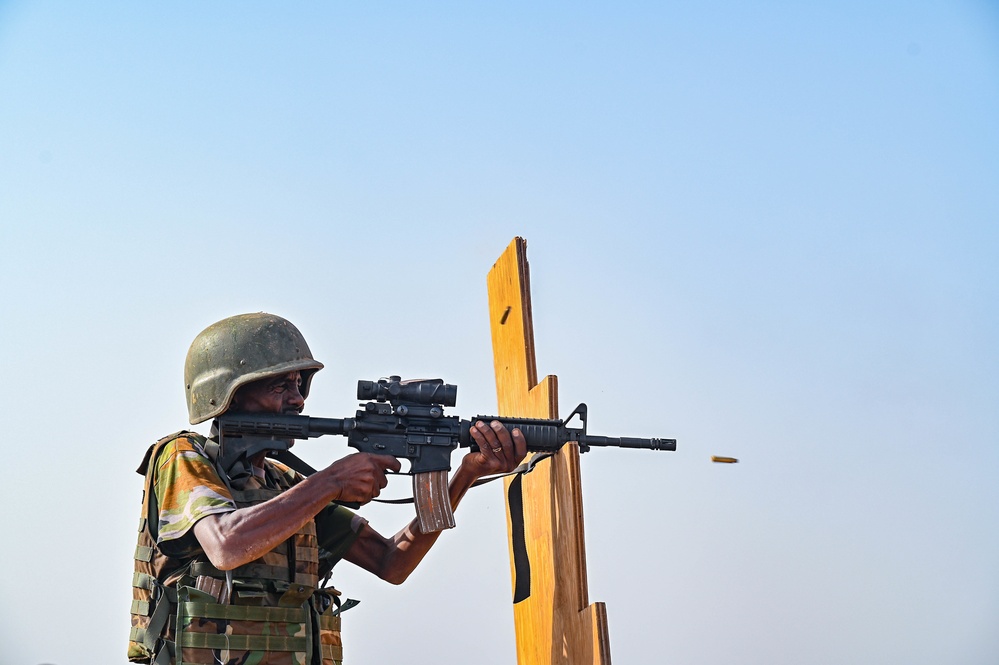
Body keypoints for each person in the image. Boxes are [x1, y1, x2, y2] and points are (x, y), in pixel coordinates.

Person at [128, 312, 526, 665]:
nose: (298, 400)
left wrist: (466, 475)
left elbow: (392, 562)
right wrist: (333, 481)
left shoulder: (283, 485)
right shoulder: (182, 455)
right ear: (228, 394)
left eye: (300, 385)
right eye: (279, 387)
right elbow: (226, 544)